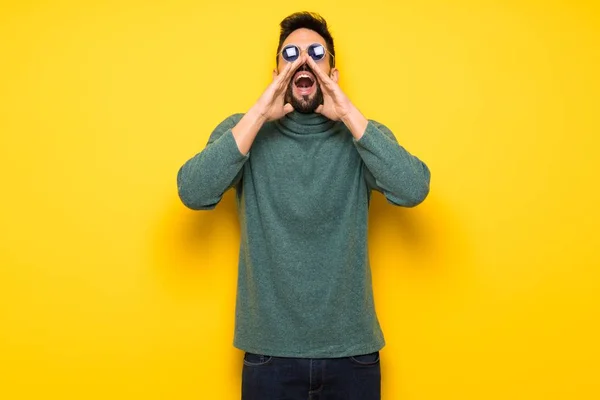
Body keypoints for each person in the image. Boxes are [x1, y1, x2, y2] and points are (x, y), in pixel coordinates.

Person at [177, 11, 431, 400]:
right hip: (269, 354)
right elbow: (193, 191)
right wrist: (260, 113)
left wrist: (346, 112)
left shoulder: (363, 134)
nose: (303, 62)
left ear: (332, 72)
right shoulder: (243, 131)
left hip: (353, 354)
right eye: (290, 55)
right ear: (276, 70)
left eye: (316, 54)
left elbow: (413, 188)